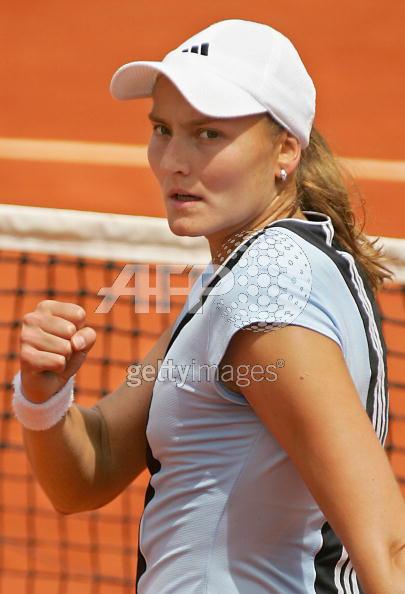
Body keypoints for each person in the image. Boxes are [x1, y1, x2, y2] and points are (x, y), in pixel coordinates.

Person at [12, 18, 405, 594]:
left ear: (285, 151)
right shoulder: (253, 273)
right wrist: (44, 396)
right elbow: (87, 471)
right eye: (163, 129)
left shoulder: (269, 289)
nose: (174, 160)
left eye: (209, 135)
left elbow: (387, 548)